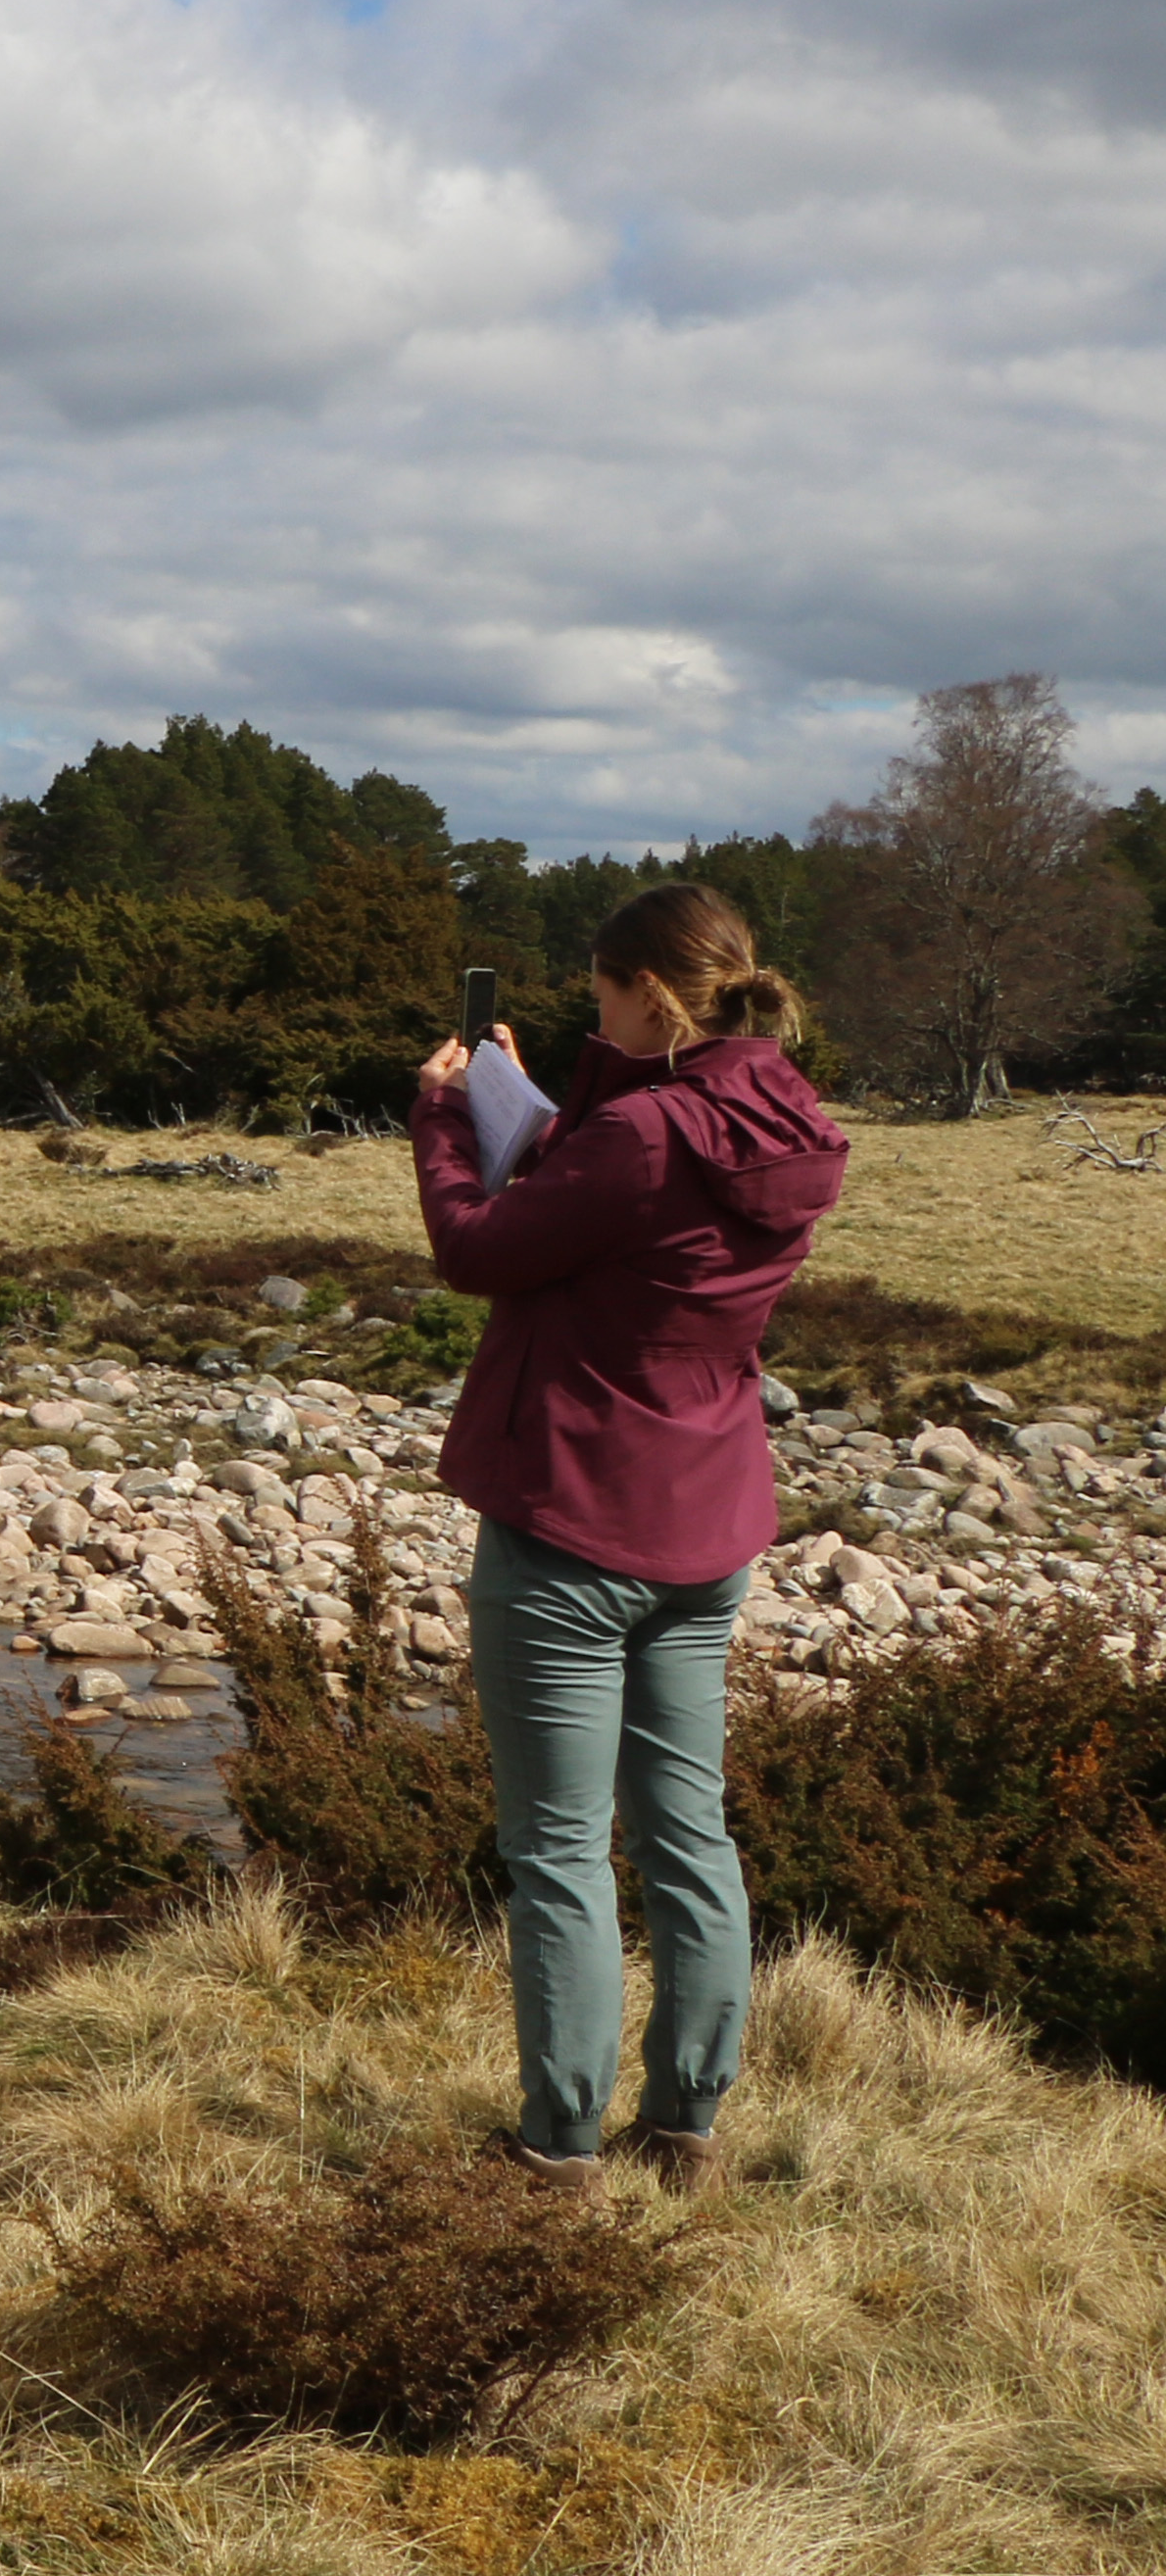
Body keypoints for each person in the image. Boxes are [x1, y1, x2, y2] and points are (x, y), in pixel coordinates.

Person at [413, 882, 848, 2192]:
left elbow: (476, 1247)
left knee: (557, 1851)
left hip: (571, 1518)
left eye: (601, 995)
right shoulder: (791, 1123)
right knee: (687, 1835)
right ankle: (685, 2131)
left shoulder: (646, 1136)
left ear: (651, 998)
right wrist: (558, 1084)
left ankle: (557, 2154)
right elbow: (634, 1148)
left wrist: (446, 1114)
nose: (587, 1013)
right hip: (705, 1520)